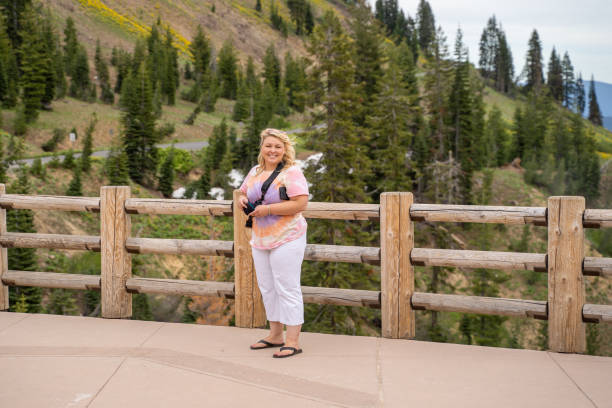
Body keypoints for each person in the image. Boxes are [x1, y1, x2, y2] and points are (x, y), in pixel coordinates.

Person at [238, 128, 309, 358]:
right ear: (262, 148)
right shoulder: (255, 171)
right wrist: (241, 199)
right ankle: (275, 334)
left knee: (287, 287)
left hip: (288, 236)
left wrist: (268, 209)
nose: (273, 150)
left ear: (285, 150)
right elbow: (242, 192)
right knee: (267, 287)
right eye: (269, 145)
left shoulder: (292, 172)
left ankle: (293, 340)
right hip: (260, 237)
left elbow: (300, 203)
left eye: (278, 147)